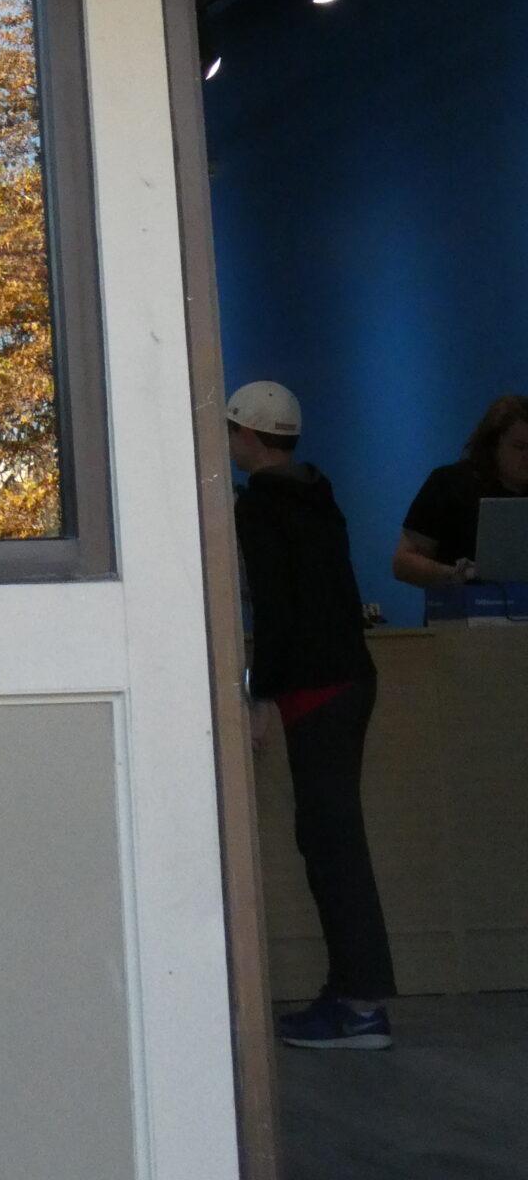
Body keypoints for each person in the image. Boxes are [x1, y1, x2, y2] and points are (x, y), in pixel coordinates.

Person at [226, 379, 395, 1052]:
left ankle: (360, 1007)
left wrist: (259, 696)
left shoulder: (261, 507)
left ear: (246, 434)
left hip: (316, 689)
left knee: (332, 846)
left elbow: (275, 607)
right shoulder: (318, 494)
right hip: (350, 679)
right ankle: (350, 994)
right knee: (332, 841)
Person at [392, 392, 528, 591]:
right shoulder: (449, 484)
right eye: (520, 447)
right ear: (493, 447)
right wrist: (458, 574)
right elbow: (403, 563)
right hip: (461, 606)